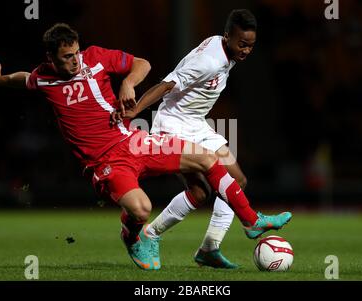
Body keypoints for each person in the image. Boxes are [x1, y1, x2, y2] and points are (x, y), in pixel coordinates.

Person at [0, 23, 292, 271]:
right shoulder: (44, 78)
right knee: (141, 208)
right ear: (51, 59)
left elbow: (141, 64)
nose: (75, 61)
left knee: (208, 159)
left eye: (76, 53)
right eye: (66, 57)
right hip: (104, 162)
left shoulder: (95, 57)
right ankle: (132, 237)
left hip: (132, 140)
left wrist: (128, 82)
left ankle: (250, 220)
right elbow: (23, 79)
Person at [112, 9, 263, 269]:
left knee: (236, 179)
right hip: (174, 124)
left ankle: (209, 247)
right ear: (227, 37)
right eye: (242, 44)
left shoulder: (227, 48)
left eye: (250, 45)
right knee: (200, 191)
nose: (246, 50)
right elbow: (168, 83)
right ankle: (151, 234)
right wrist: (137, 109)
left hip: (196, 123)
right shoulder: (209, 61)